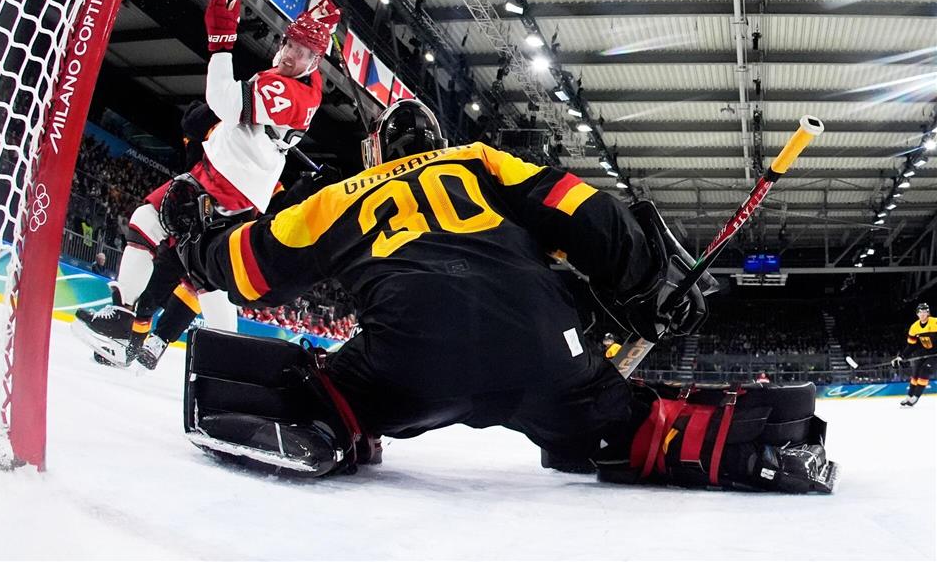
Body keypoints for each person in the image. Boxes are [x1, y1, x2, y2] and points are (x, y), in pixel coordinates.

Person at [175, 100, 836, 493]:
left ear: (377, 149)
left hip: (409, 354)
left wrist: (197, 238)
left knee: (334, 387)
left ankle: (326, 422)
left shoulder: (340, 195)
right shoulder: (479, 161)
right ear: (438, 141)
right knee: (625, 422)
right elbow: (588, 213)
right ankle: (760, 443)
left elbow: (249, 270)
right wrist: (642, 284)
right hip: (544, 348)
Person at [74, 0, 340, 370]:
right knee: (205, 278)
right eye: (288, 43)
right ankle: (209, 355)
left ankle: (128, 324)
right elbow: (229, 114)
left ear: (316, 60)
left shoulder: (293, 92)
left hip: (226, 184)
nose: (288, 53)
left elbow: (225, 102)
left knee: (154, 231)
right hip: (227, 180)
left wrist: (220, 43)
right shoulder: (293, 82)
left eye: (301, 50)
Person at [892, 302, 936, 407]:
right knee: (915, 374)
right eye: (920, 312)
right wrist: (901, 356)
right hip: (923, 352)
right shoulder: (914, 327)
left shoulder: (935, 322)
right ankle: (909, 396)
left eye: (925, 312)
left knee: (925, 371)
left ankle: (915, 397)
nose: (923, 314)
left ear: (928, 313)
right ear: (917, 314)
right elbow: (911, 345)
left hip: (935, 355)